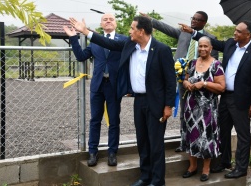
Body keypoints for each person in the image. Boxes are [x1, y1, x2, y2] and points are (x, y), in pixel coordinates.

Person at [64, 16, 176, 186]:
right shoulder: (130, 45)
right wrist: (85, 32)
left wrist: (168, 105)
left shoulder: (162, 49)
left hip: (157, 103)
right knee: (142, 142)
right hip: (139, 101)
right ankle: (145, 177)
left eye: (132, 28)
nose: (129, 31)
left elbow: (170, 80)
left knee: (156, 144)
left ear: (141, 31)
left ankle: (157, 180)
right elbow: (108, 43)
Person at [180, 21, 251, 179]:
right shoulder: (230, 44)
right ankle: (224, 162)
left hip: (242, 99)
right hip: (225, 96)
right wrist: (193, 32)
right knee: (222, 131)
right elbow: (212, 43)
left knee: (243, 135)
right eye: (235, 30)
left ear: (248, 35)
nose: (235, 33)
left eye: (238, 32)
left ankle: (241, 168)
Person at [140, 11, 218, 153]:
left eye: (197, 19)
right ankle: (184, 142)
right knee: (184, 111)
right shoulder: (184, 32)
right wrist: (150, 19)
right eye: (192, 18)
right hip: (183, 79)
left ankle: (200, 142)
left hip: (201, 83)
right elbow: (166, 28)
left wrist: (203, 81)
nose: (193, 21)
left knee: (201, 113)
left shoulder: (210, 38)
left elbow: (214, 63)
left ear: (204, 22)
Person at [68, 13, 127, 167]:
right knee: (95, 120)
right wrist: (74, 38)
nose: (108, 21)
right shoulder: (94, 42)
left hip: (114, 86)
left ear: (116, 23)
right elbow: (81, 56)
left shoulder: (124, 40)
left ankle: (112, 152)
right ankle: (92, 152)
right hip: (98, 85)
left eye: (111, 19)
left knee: (114, 121)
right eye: (105, 19)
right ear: (101, 24)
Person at [181, 36, 226, 182]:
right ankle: (192, 166)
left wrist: (205, 83)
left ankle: (206, 169)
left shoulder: (216, 65)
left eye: (206, 46)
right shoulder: (192, 63)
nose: (202, 49)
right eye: (200, 46)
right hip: (190, 107)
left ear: (211, 48)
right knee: (191, 135)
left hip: (207, 109)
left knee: (207, 137)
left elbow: (221, 88)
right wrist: (186, 83)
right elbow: (185, 78)